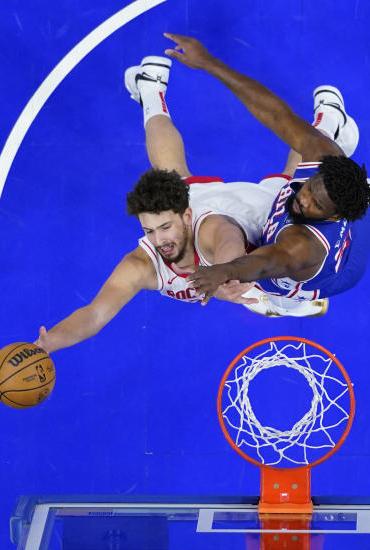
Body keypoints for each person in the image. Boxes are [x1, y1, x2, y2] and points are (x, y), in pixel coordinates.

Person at [155, 34, 370, 311]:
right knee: (346, 174)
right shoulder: (325, 161)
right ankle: (334, 120)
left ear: (334, 216)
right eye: (310, 188)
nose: (303, 199)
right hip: (320, 225)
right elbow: (275, 113)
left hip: (334, 272)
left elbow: (267, 262)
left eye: (315, 204)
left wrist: (224, 270)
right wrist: (209, 62)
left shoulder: (301, 246)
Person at [35, 57, 288, 353]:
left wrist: (224, 275)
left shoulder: (208, 229)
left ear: (186, 215)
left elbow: (227, 239)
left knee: (295, 182)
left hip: (251, 210)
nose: (160, 240)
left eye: (165, 227)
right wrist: (50, 342)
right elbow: (94, 315)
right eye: (150, 230)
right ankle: (151, 88)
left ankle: (326, 123)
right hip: (201, 203)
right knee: (171, 175)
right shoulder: (143, 265)